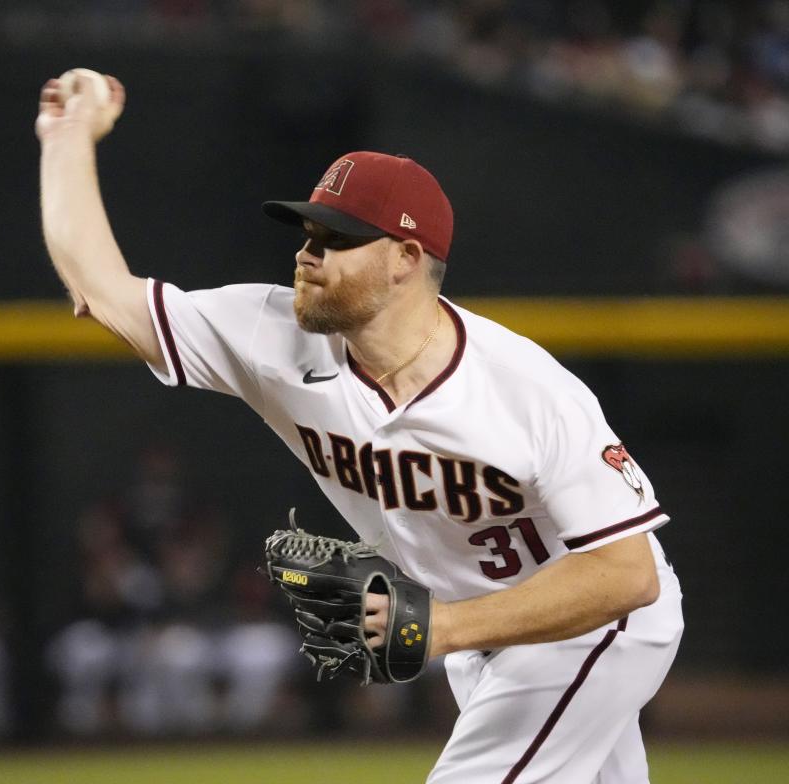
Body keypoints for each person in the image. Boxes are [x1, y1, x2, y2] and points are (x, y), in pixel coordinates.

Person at [36, 72, 683, 783]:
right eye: (308, 232)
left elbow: (629, 574)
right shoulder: (269, 335)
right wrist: (67, 140)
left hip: (592, 627)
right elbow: (103, 293)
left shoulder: (526, 390)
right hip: (483, 640)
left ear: (406, 259)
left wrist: (442, 627)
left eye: (338, 238)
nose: (308, 254)